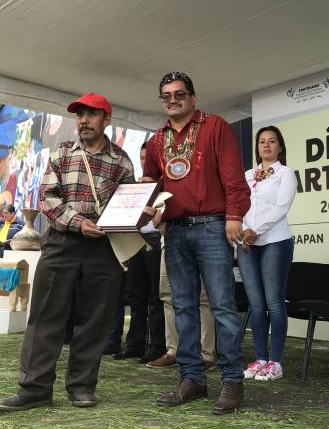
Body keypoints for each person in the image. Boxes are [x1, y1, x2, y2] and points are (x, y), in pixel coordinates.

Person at [0, 93, 134, 412]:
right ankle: (34, 389)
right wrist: (79, 222)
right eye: (79, 115)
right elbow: (47, 197)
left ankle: (82, 387)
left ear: (106, 120)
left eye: (91, 115)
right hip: (61, 242)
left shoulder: (122, 161)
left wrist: (141, 211)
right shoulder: (62, 153)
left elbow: (128, 201)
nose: (83, 121)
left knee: (95, 319)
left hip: (103, 246)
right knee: (46, 315)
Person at [143, 71, 250, 415]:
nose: (172, 100)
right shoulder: (157, 140)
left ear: (193, 98)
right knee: (183, 307)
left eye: (179, 94)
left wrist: (234, 215)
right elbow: (152, 182)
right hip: (174, 231)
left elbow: (233, 177)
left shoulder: (215, 126)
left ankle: (232, 379)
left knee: (222, 306)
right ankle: (192, 378)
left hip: (212, 226)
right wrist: (149, 205)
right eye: (166, 96)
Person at [237, 126, 296, 381]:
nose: (267, 145)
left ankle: (275, 362)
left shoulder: (286, 173)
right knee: (256, 304)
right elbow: (238, 205)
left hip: (275, 241)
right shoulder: (247, 175)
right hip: (247, 243)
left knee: (274, 302)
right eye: (262, 141)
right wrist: (243, 231)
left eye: (272, 141)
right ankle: (260, 359)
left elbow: (281, 207)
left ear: (280, 147)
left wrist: (255, 231)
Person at [110, 141, 166, 364]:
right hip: (135, 240)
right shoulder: (133, 185)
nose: (145, 162)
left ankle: (157, 346)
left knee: (156, 297)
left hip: (156, 241)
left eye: (149, 158)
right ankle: (135, 344)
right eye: (142, 158)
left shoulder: (166, 185)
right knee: (135, 296)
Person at [145, 236, 218, 370]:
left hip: (200, 237)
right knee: (167, 296)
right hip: (169, 241)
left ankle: (206, 354)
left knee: (203, 298)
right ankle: (173, 351)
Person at [0, 203, 23, 309]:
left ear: (13, 213)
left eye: (7, 213)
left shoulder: (20, 224)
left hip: (10, 253)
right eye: (3, 213)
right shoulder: (1, 222)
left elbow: (21, 239)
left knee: (5, 277)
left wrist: (7, 242)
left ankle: (1, 302)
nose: (4, 215)